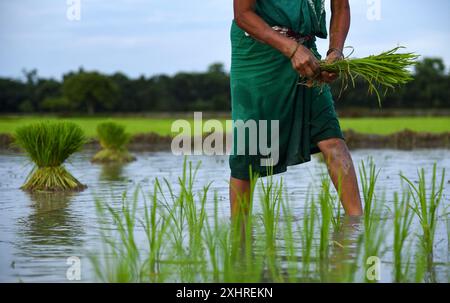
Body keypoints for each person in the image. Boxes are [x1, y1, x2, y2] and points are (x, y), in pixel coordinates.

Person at [229, 0, 363, 218]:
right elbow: (243, 15)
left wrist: (335, 51)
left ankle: (357, 225)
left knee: (331, 138)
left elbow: (340, 7)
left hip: (307, 54)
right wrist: (291, 49)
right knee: (250, 146)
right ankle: (239, 238)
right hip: (258, 52)